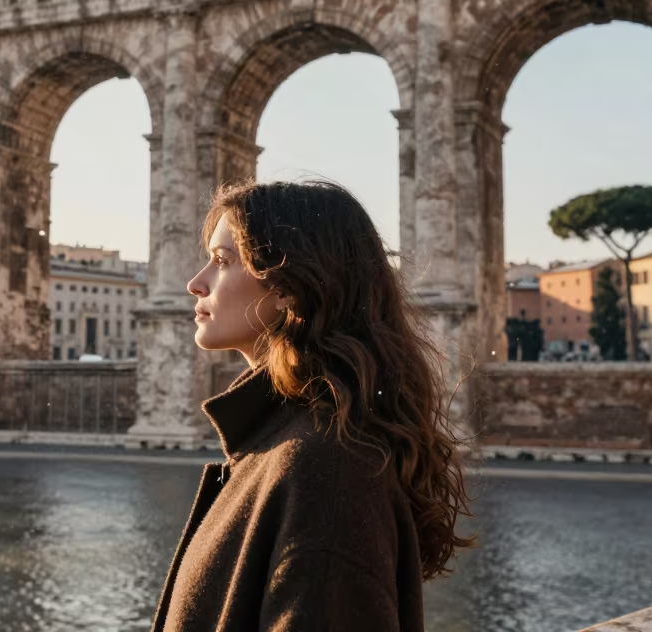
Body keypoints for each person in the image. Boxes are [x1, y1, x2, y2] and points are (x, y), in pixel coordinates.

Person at [153, 180, 475, 631]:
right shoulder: (295, 448)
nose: (194, 283)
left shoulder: (327, 474)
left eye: (223, 261)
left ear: (287, 287)